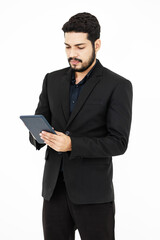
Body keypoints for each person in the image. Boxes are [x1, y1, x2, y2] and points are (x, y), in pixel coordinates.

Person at [29, 12, 133, 240]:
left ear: (97, 44)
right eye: (67, 47)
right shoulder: (52, 80)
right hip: (54, 192)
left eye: (80, 47)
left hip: (94, 195)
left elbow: (118, 142)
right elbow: (38, 128)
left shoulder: (118, 85)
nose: (72, 54)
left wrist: (72, 144)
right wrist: (38, 135)